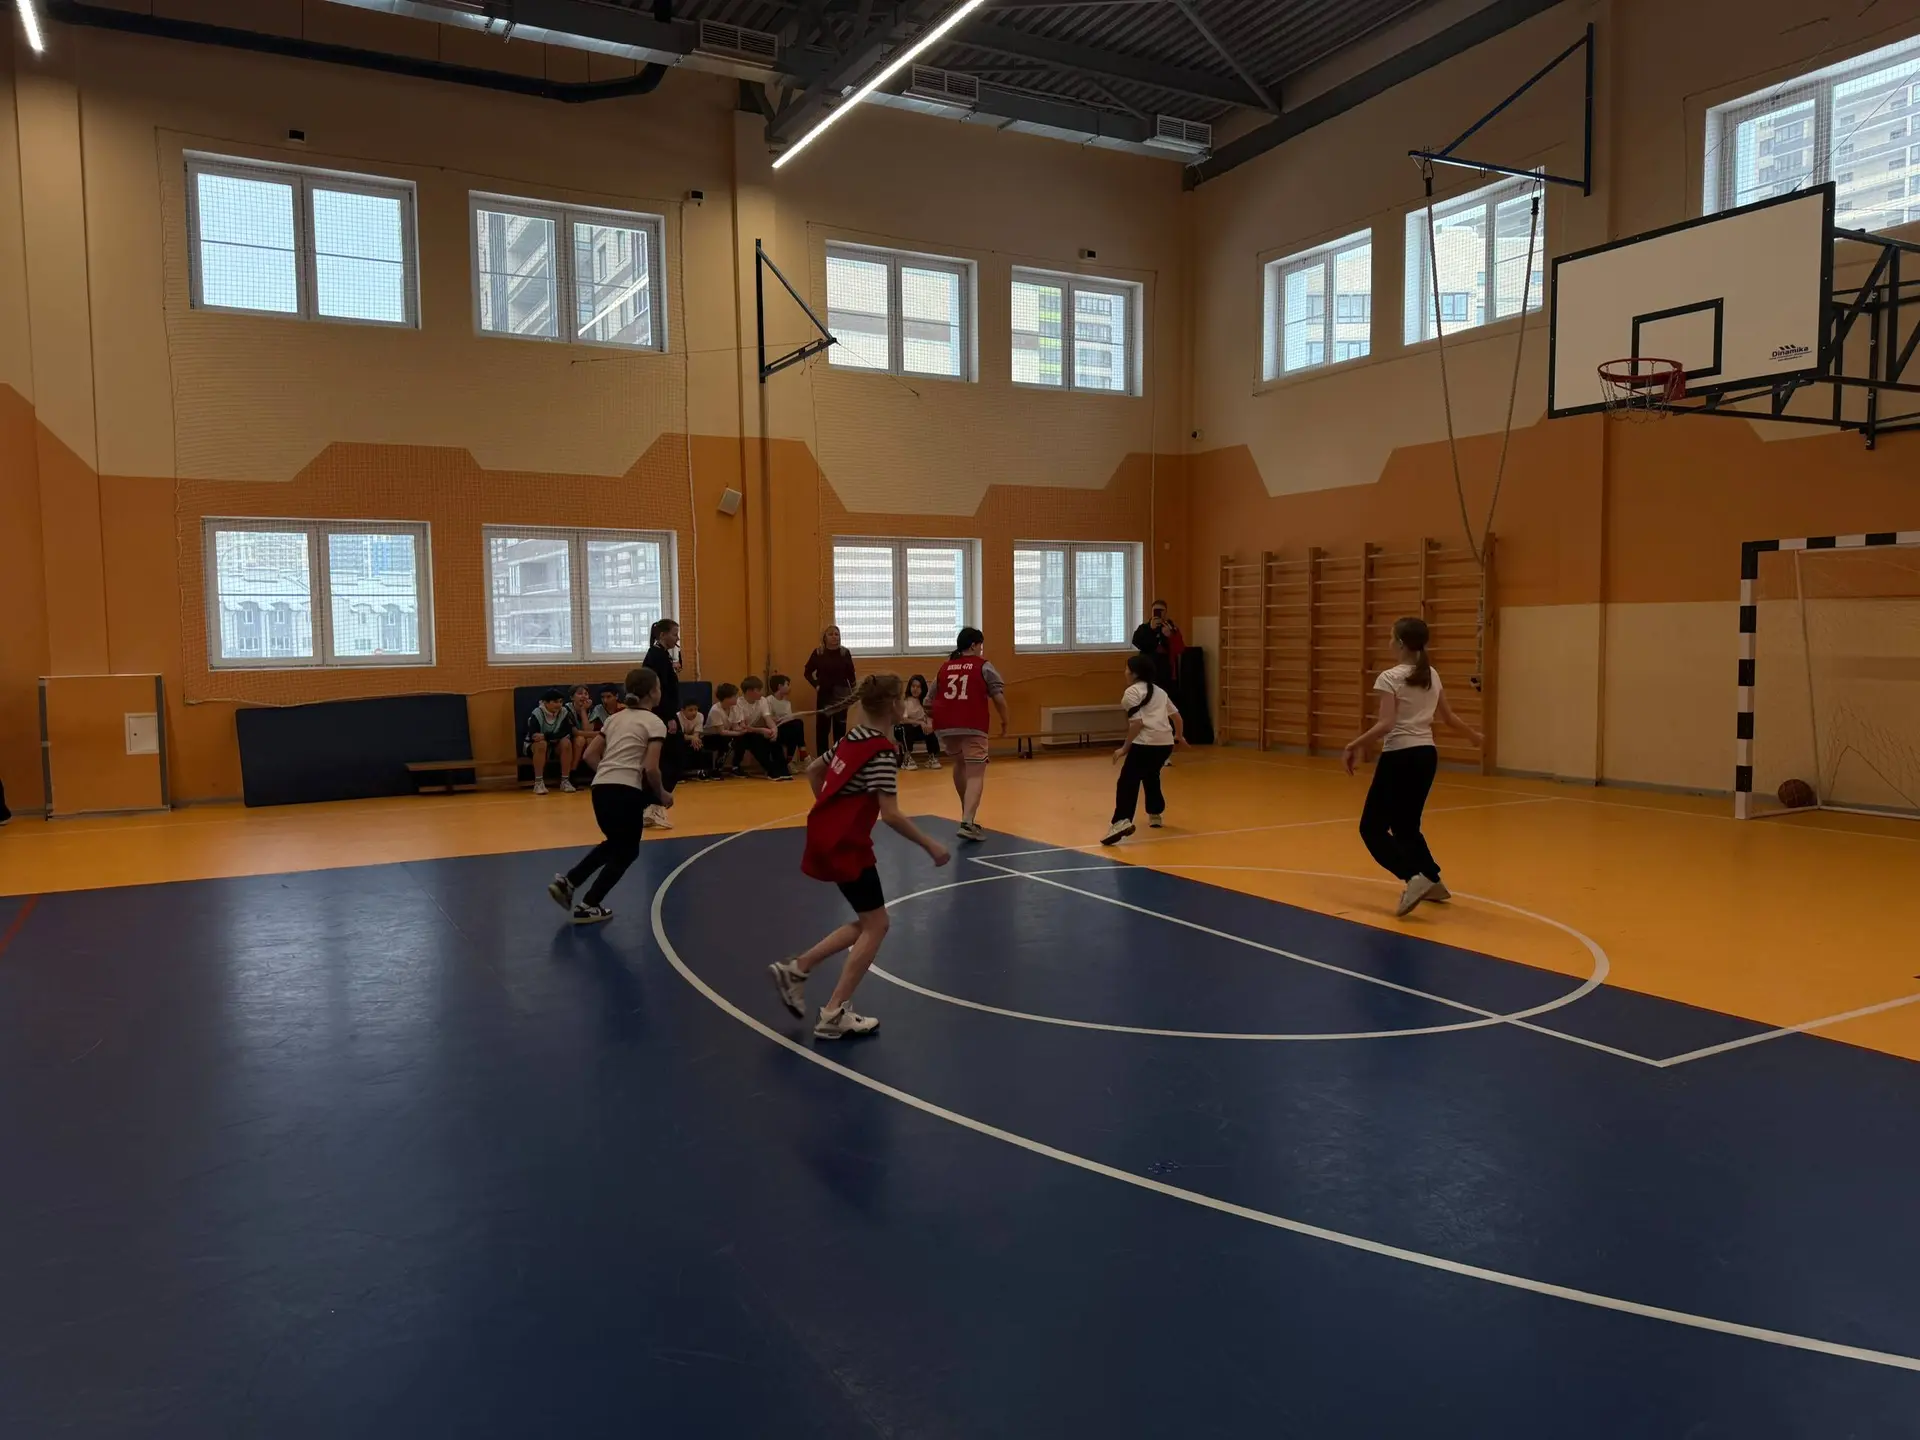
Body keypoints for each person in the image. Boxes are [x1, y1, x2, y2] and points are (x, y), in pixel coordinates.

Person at [768, 674, 950, 1039]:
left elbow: (814, 770)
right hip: (846, 845)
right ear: (894, 705)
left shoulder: (851, 738)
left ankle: (798, 967)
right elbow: (891, 814)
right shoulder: (882, 751)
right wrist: (930, 844)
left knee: (871, 921)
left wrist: (829, 809)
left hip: (830, 838)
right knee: (877, 925)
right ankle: (833, 1012)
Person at [1343, 616, 1484, 918]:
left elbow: (1387, 724)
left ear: (1400, 643)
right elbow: (1448, 717)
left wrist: (1354, 745)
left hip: (1400, 757)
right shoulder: (1431, 674)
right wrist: (1473, 736)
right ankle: (1432, 879)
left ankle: (1412, 876)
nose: (1388, 643)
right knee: (1406, 826)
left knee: (1371, 828)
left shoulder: (1389, 677)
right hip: (1426, 756)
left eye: (1390, 637)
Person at [547, 667, 670, 925]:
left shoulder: (615, 719)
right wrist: (662, 794)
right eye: (659, 687)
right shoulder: (654, 722)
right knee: (628, 851)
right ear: (652, 692)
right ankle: (588, 904)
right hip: (626, 791)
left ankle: (569, 882)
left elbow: (590, 755)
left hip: (600, 788)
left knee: (616, 844)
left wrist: (609, 773)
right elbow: (651, 768)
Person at [930, 627, 1009, 842]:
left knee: (959, 765)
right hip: (972, 724)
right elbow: (998, 698)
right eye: (980, 645)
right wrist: (1005, 720)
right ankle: (967, 821)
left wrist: (934, 719)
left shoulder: (945, 667)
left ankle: (967, 814)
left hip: (946, 726)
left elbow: (929, 699)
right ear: (973, 645)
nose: (982, 649)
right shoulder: (983, 666)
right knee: (975, 773)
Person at [1104, 654, 1186, 845]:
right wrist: (1179, 736)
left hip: (1145, 743)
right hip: (1165, 744)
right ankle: (1155, 813)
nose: (1125, 672)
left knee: (1128, 781)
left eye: (1127, 669)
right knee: (1151, 774)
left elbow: (1137, 724)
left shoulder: (1131, 693)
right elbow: (1177, 718)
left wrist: (1124, 748)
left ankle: (1121, 821)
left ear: (1134, 673)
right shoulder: (1160, 691)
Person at [642, 619, 683, 827]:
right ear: (663, 635)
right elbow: (660, 690)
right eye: (674, 634)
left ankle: (651, 806)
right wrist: (668, 717)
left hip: (664, 713)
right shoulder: (656, 656)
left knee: (667, 759)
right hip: (662, 714)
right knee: (672, 758)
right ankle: (654, 804)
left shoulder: (661, 655)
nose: (677, 638)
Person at [803, 625, 857, 757]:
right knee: (822, 729)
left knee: (840, 729)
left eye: (836, 634)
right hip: (824, 695)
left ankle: (838, 757)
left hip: (841, 695)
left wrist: (854, 692)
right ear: (825, 637)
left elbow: (851, 675)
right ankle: (822, 759)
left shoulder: (845, 653)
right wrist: (816, 685)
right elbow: (807, 672)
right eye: (831, 634)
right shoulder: (818, 653)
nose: (834, 637)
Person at [523, 689, 579, 796]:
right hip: (534, 747)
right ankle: (538, 783)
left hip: (554, 745)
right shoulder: (537, 713)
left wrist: (546, 736)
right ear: (546, 702)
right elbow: (534, 736)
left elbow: (565, 732)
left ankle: (565, 781)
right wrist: (551, 737)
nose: (559, 705)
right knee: (541, 744)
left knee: (566, 743)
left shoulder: (564, 712)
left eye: (560, 702)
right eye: (555, 702)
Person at [737, 676, 793, 780]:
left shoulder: (762, 701)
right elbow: (742, 726)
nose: (761, 693)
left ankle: (783, 770)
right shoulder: (739, 703)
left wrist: (774, 730)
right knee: (756, 742)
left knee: (774, 739)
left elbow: (768, 718)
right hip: (742, 733)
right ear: (749, 691)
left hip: (755, 731)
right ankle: (771, 771)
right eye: (758, 690)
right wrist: (762, 730)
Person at [1131, 600, 1186, 692]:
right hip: (1148, 669)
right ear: (1152, 612)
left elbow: (1180, 649)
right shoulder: (1144, 628)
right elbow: (1137, 643)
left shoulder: (1171, 629)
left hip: (1166, 671)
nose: (1159, 613)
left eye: (1161, 610)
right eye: (1156, 610)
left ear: (1166, 612)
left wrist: (1170, 636)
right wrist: (1151, 630)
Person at [896, 674, 941, 770]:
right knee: (906, 728)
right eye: (913, 686)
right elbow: (903, 720)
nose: (915, 689)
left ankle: (932, 757)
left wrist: (929, 725)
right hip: (904, 730)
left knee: (929, 729)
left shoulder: (924, 702)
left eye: (918, 687)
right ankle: (907, 758)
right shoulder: (905, 702)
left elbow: (928, 717)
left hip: (918, 730)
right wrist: (920, 722)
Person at [767, 674, 807, 767]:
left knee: (796, 727)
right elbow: (767, 717)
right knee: (797, 725)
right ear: (780, 686)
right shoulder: (769, 700)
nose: (790, 687)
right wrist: (778, 719)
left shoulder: (787, 703)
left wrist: (786, 718)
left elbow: (790, 719)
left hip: (786, 728)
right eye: (787, 684)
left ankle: (790, 760)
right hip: (774, 730)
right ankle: (801, 752)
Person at [678, 702, 715, 780]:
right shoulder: (678, 716)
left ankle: (702, 771)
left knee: (699, 745)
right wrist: (693, 738)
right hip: (680, 738)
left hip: (694, 738)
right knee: (678, 745)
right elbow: (679, 735)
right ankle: (679, 773)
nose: (694, 712)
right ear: (682, 710)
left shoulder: (700, 715)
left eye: (696, 709)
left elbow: (696, 733)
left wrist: (695, 738)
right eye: (690, 710)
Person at [567, 685, 599, 776]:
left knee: (590, 740)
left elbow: (588, 729)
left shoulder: (592, 709)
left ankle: (595, 772)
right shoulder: (566, 710)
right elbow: (575, 732)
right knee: (580, 740)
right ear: (572, 697)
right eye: (580, 693)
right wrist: (596, 733)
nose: (584, 696)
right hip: (568, 738)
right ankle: (572, 771)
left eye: (586, 694)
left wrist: (583, 710)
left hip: (584, 736)